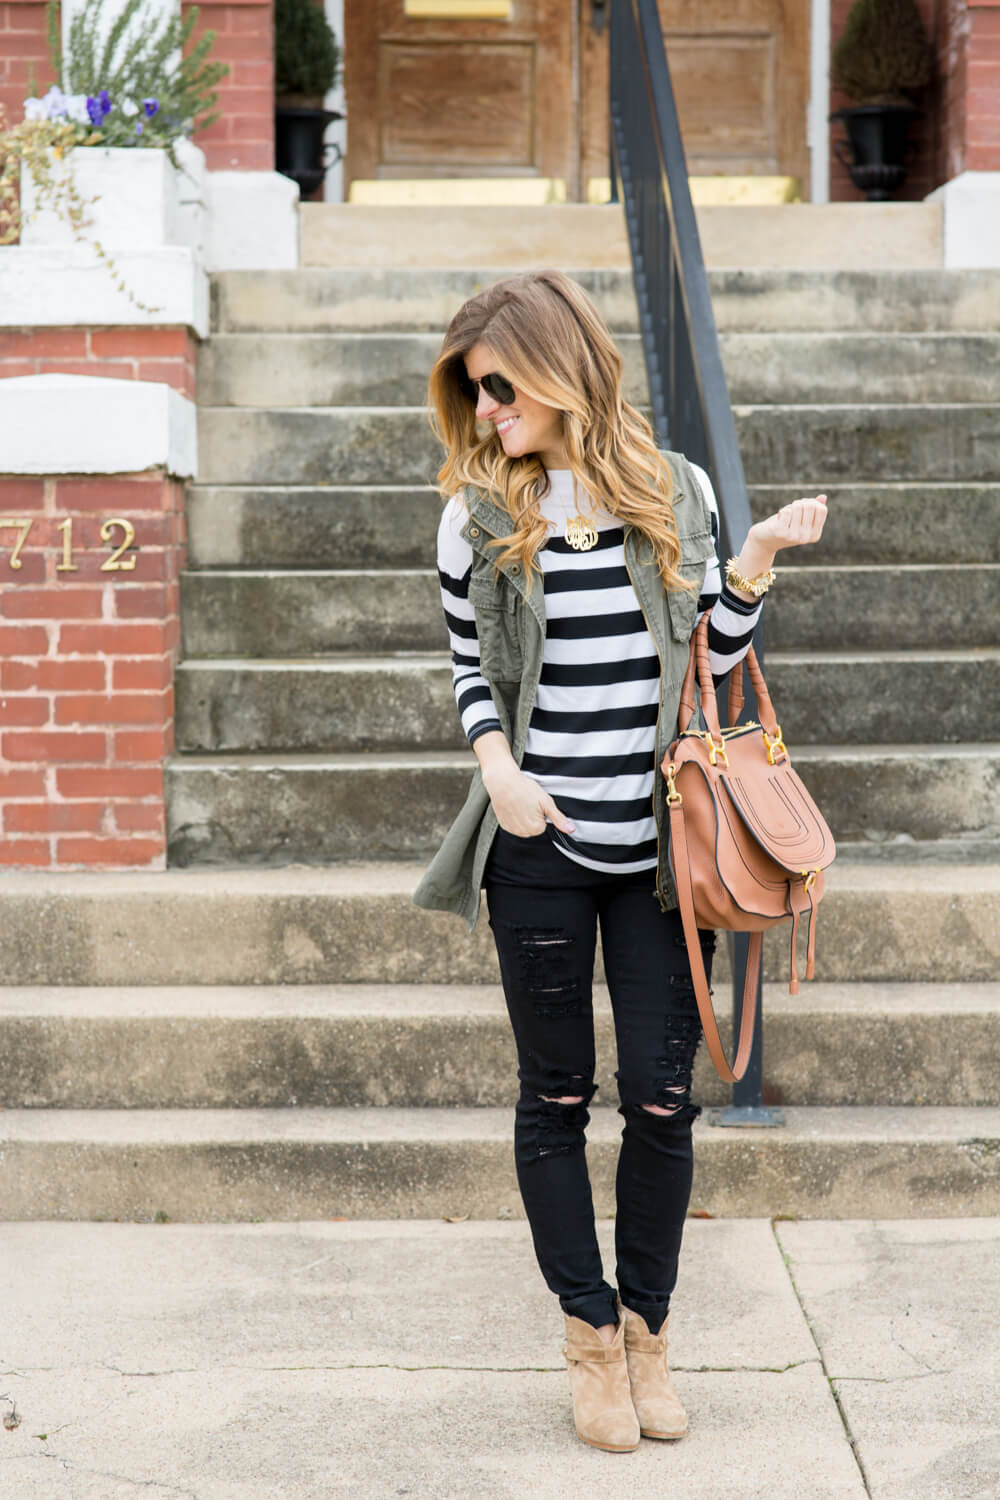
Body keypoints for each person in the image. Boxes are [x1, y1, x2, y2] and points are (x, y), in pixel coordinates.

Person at [413, 270, 827, 1453]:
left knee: (659, 1101)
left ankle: (648, 1333)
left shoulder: (671, 488)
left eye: (499, 387)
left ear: (558, 369)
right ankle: (587, 1338)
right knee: (553, 1097)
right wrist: (498, 769)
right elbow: (468, 671)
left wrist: (747, 560)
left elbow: (707, 649)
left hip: (661, 855)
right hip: (539, 848)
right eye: (473, 393)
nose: (485, 410)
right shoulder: (475, 516)